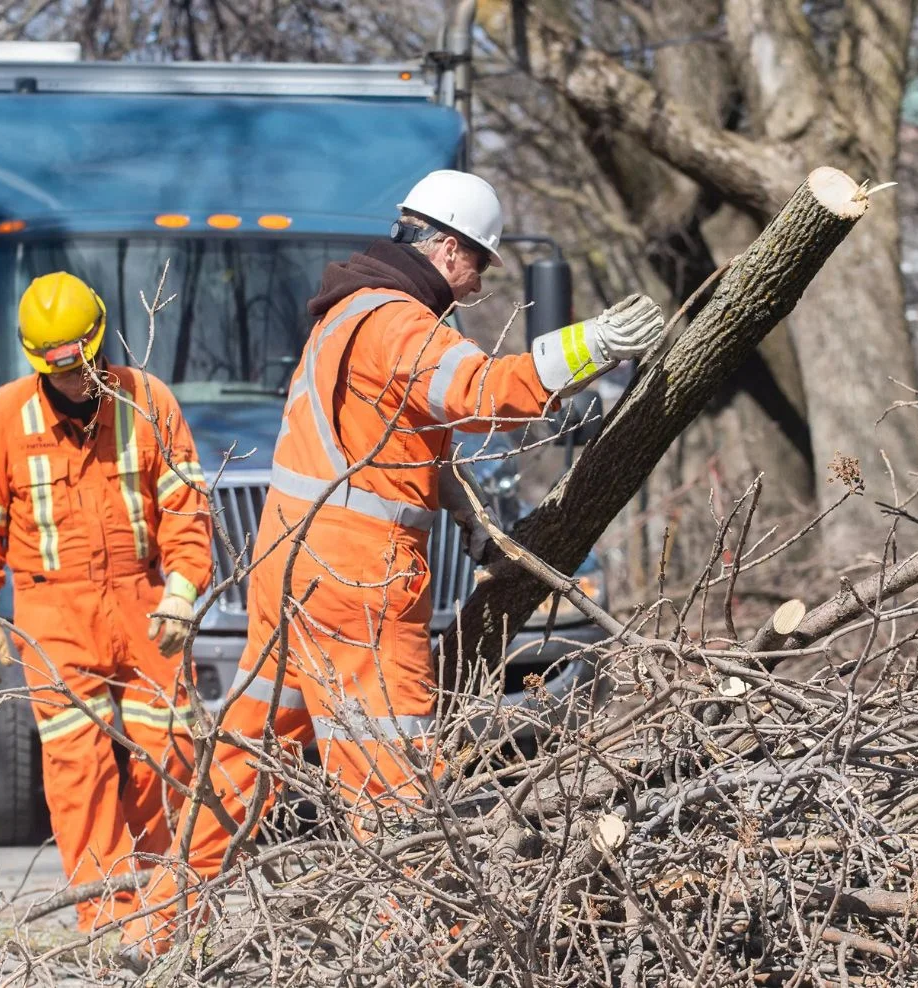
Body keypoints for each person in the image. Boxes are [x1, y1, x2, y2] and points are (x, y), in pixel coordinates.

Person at [118, 170, 666, 967]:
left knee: (242, 756)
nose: (481, 283)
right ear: (447, 249)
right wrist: (592, 347)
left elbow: (406, 441)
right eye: (480, 262)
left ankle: (156, 927)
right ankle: (412, 950)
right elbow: (480, 393)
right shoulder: (401, 323)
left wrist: (475, 526)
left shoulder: (348, 313)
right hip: (357, 582)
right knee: (396, 772)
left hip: (290, 568)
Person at [0, 271, 213, 933]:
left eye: (85, 367)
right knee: (80, 769)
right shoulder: (6, 416)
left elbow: (184, 506)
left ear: (100, 343)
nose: (77, 383)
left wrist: (183, 591)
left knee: (172, 753)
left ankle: (160, 912)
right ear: (39, 363)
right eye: (62, 373)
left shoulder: (147, 400)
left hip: (143, 602)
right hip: (53, 612)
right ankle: (104, 923)